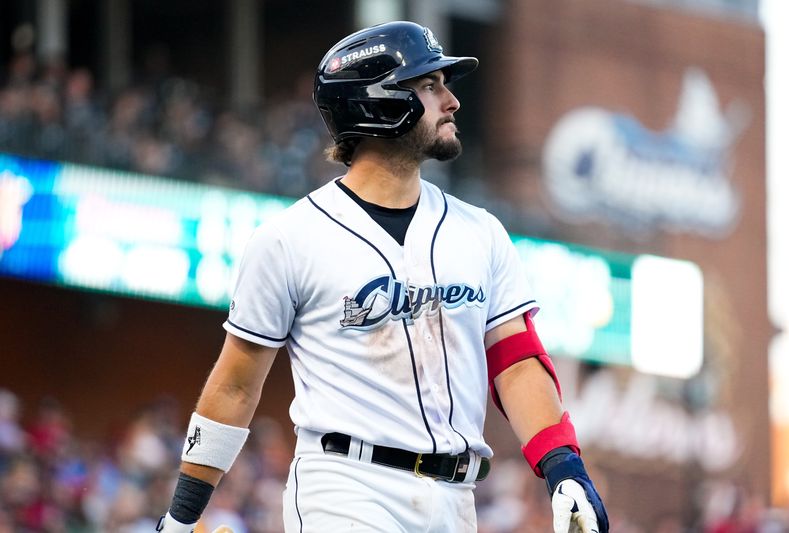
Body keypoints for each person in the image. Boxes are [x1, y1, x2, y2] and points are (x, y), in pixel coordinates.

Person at [157, 21, 609, 533]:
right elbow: (236, 386)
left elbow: (516, 361)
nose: (451, 101)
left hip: (456, 500)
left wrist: (563, 466)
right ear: (380, 102)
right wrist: (182, 515)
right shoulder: (290, 238)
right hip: (346, 489)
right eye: (429, 85)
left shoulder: (481, 232)